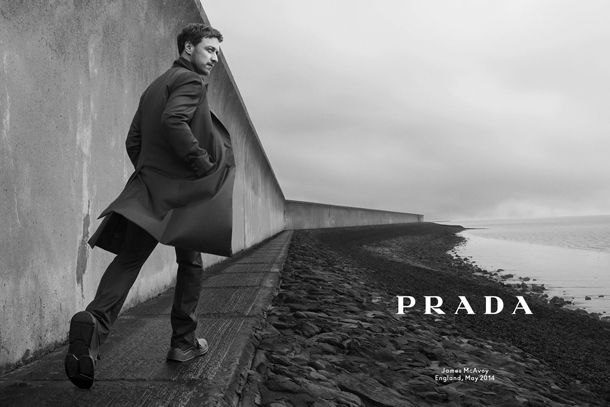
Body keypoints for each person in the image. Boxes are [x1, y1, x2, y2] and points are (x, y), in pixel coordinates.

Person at [64, 23, 235, 390]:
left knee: (130, 259)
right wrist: (202, 164)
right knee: (190, 263)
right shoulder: (190, 81)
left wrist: (152, 172)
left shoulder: (154, 86)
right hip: (182, 193)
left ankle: (94, 326)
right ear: (188, 48)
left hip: (151, 189)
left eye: (218, 53)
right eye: (209, 50)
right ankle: (183, 342)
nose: (215, 59)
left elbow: (133, 140)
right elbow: (174, 120)